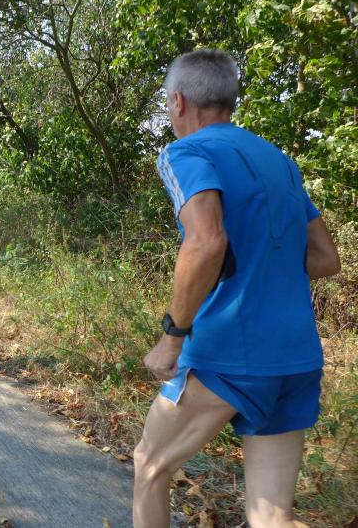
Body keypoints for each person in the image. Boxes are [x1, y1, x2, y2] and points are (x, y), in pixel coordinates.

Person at [133, 49, 341, 528]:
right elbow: (325, 258)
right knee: (272, 517)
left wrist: (172, 337)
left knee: (150, 464)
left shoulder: (186, 152)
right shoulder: (278, 160)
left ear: (178, 102)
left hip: (225, 357)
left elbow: (206, 242)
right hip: (295, 358)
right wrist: (263, 266)